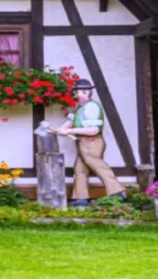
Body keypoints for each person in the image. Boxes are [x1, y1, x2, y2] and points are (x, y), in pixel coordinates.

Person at [51, 78, 126, 207]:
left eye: (77, 92)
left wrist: (69, 131)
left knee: (97, 164)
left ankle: (117, 191)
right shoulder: (79, 108)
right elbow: (69, 122)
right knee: (79, 170)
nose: (75, 95)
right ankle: (80, 198)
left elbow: (93, 130)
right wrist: (60, 130)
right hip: (82, 142)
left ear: (86, 93)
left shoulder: (92, 107)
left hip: (92, 141)